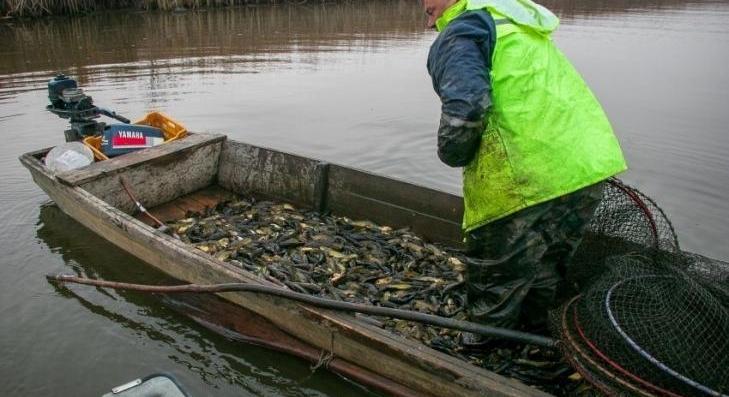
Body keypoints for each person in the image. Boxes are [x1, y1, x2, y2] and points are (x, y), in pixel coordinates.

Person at [423, 0, 628, 340]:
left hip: (526, 177)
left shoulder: (461, 30)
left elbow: (467, 106)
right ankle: (534, 336)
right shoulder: (516, 22)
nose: (424, 11)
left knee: (495, 284)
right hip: (585, 168)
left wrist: (452, 153)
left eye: (428, 5)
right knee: (547, 269)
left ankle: (481, 358)